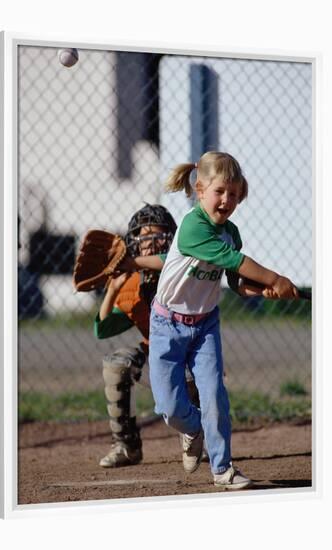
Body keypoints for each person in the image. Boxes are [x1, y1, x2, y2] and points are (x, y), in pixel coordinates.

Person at [146, 152, 298, 489]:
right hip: (166, 324)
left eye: (233, 193)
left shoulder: (232, 232)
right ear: (200, 191)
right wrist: (275, 278)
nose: (226, 200)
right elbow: (235, 260)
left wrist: (261, 290)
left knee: (214, 394)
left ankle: (222, 468)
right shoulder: (192, 227)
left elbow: (236, 281)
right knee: (168, 406)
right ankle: (193, 429)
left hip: (204, 326)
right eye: (219, 192)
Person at [94, 204, 200, 468]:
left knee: (189, 375)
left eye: (159, 237)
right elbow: (102, 329)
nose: (151, 244)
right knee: (117, 365)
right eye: (145, 238)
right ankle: (126, 445)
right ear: (134, 244)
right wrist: (113, 288)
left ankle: (198, 436)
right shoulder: (131, 282)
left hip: (188, 351)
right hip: (155, 351)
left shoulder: (181, 271)